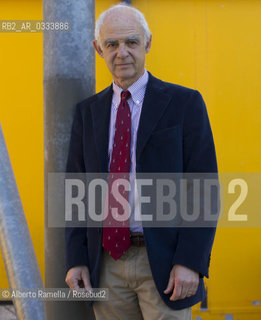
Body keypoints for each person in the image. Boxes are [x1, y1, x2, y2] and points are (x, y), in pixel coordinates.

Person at [65, 3, 218, 320]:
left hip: (165, 265)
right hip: (106, 266)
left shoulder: (184, 104)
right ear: (98, 49)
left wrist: (191, 260)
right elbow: (75, 190)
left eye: (131, 42)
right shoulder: (87, 112)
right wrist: (76, 258)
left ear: (147, 43)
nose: (122, 52)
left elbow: (203, 188)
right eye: (112, 44)